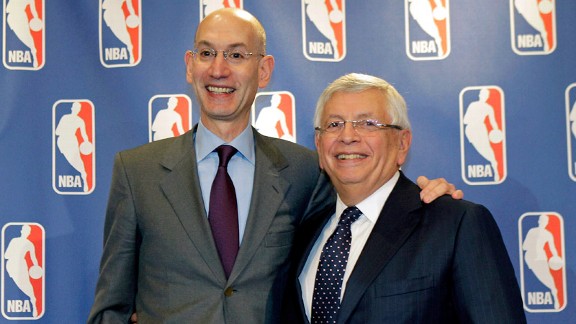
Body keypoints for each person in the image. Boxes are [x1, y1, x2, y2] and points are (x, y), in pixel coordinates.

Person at [87, 9, 462, 323]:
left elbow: (367, 208)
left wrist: (426, 201)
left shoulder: (305, 171)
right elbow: (111, 308)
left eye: (236, 55)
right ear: (190, 65)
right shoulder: (137, 172)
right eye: (206, 53)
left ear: (264, 70)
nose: (218, 70)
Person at [282, 73, 525, 323]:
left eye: (367, 123)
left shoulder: (456, 225)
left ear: (402, 143)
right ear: (319, 146)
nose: (348, 136)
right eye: (334, 124)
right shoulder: (302, 233)